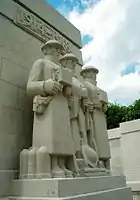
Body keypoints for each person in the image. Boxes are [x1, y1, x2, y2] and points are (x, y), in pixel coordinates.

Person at [27, 40, 75, 178]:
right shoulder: (40, 63)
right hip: (48, 105)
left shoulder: (62, 69)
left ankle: (61, 164)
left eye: (59, 49)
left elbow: (68, 91)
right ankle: (53, 165)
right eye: (55, 48)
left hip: (61, 104)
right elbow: (29, 87)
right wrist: (45, 85)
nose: (58, 52)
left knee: (62, 136)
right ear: (47, 49)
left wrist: (68, 90)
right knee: (51, 135)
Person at [81, 66, 111, 170]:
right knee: (94, 139)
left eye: (94, 72)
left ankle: (107, 163)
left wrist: (102, 106)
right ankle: (97, 161)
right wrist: (92, 105)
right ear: (84, 74)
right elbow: (83, 101)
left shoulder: (98, 88)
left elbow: (105, 106)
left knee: (103, 141)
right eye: (90, 72)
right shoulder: (84, 84)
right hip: (91, 116)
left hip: (101, 116)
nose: (93, 74)